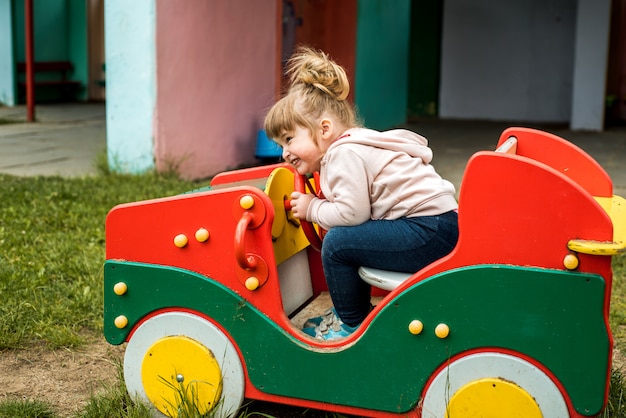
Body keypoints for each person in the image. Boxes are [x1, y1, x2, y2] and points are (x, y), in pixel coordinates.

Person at [264, 47, 459, 341]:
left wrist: (312, 207)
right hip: (438, 225)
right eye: (280, 145)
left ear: (324, 128)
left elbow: (352, 214)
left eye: (289, 139)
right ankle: (349, 313)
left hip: (428, 231)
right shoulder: (354, 144)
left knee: (338, 244)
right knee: (346, 240)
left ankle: (351, 325)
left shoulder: (343, 154)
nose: (284, 153)